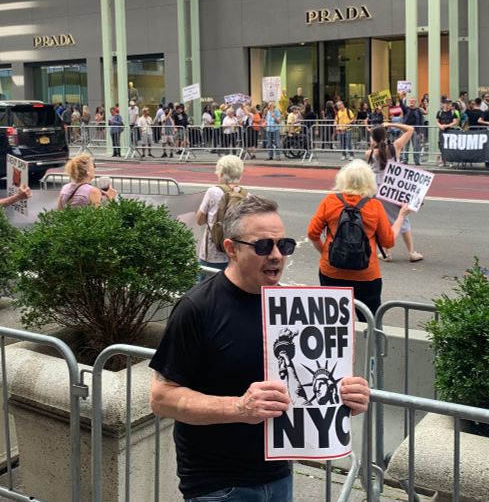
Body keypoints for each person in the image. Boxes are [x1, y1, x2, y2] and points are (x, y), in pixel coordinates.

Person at [150, 194, 371, 501]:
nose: (277, 255)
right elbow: (162, 398)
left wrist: (346, 397)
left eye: (285, 245)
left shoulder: (296, 309)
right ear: (231, 249)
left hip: (279, 476)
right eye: (264, 246)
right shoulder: (197, 308)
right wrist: (239, 407)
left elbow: (308, 388)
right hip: (219, 486)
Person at [308, 160, 411, 320]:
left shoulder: (330, 201)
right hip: (366, 274)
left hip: (332, 271)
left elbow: (312, 233)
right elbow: (388, 241)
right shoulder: (374, 206)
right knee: (370, 320)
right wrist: (401, 216)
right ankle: (370, 344)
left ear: (343, 179)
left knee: (335, 323)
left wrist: (325, 252)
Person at [365, 123, 423, 262]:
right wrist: (390, 124)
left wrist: (373, 146)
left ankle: (387, 252)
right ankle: (411, 252)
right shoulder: (395, 147)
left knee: (383, 220)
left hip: (378, 190)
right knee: (402, 218)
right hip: (395, 188)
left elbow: (368, 168)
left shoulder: (370, 153)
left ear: (373, 139)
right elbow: (410, 128)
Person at [195, 155, 244, 279]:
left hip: (212, 253)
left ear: (222, 173)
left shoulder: (213, 192)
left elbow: (199, 220)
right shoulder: (246, 195)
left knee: (206, 287)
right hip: (234, 252)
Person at [435, 98, 460, 166]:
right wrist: (440, 126)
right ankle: (443, 161)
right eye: (446, 103)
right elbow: (437, 121)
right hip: (442, 131)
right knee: (441, 146)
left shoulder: (453, 112)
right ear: (443, 104)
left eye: (449, 103)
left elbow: (455, 122)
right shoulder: (439, 112)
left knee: (450, 146)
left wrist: (447, 125)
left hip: (450, 131)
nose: (448, 105)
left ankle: (450, 161)